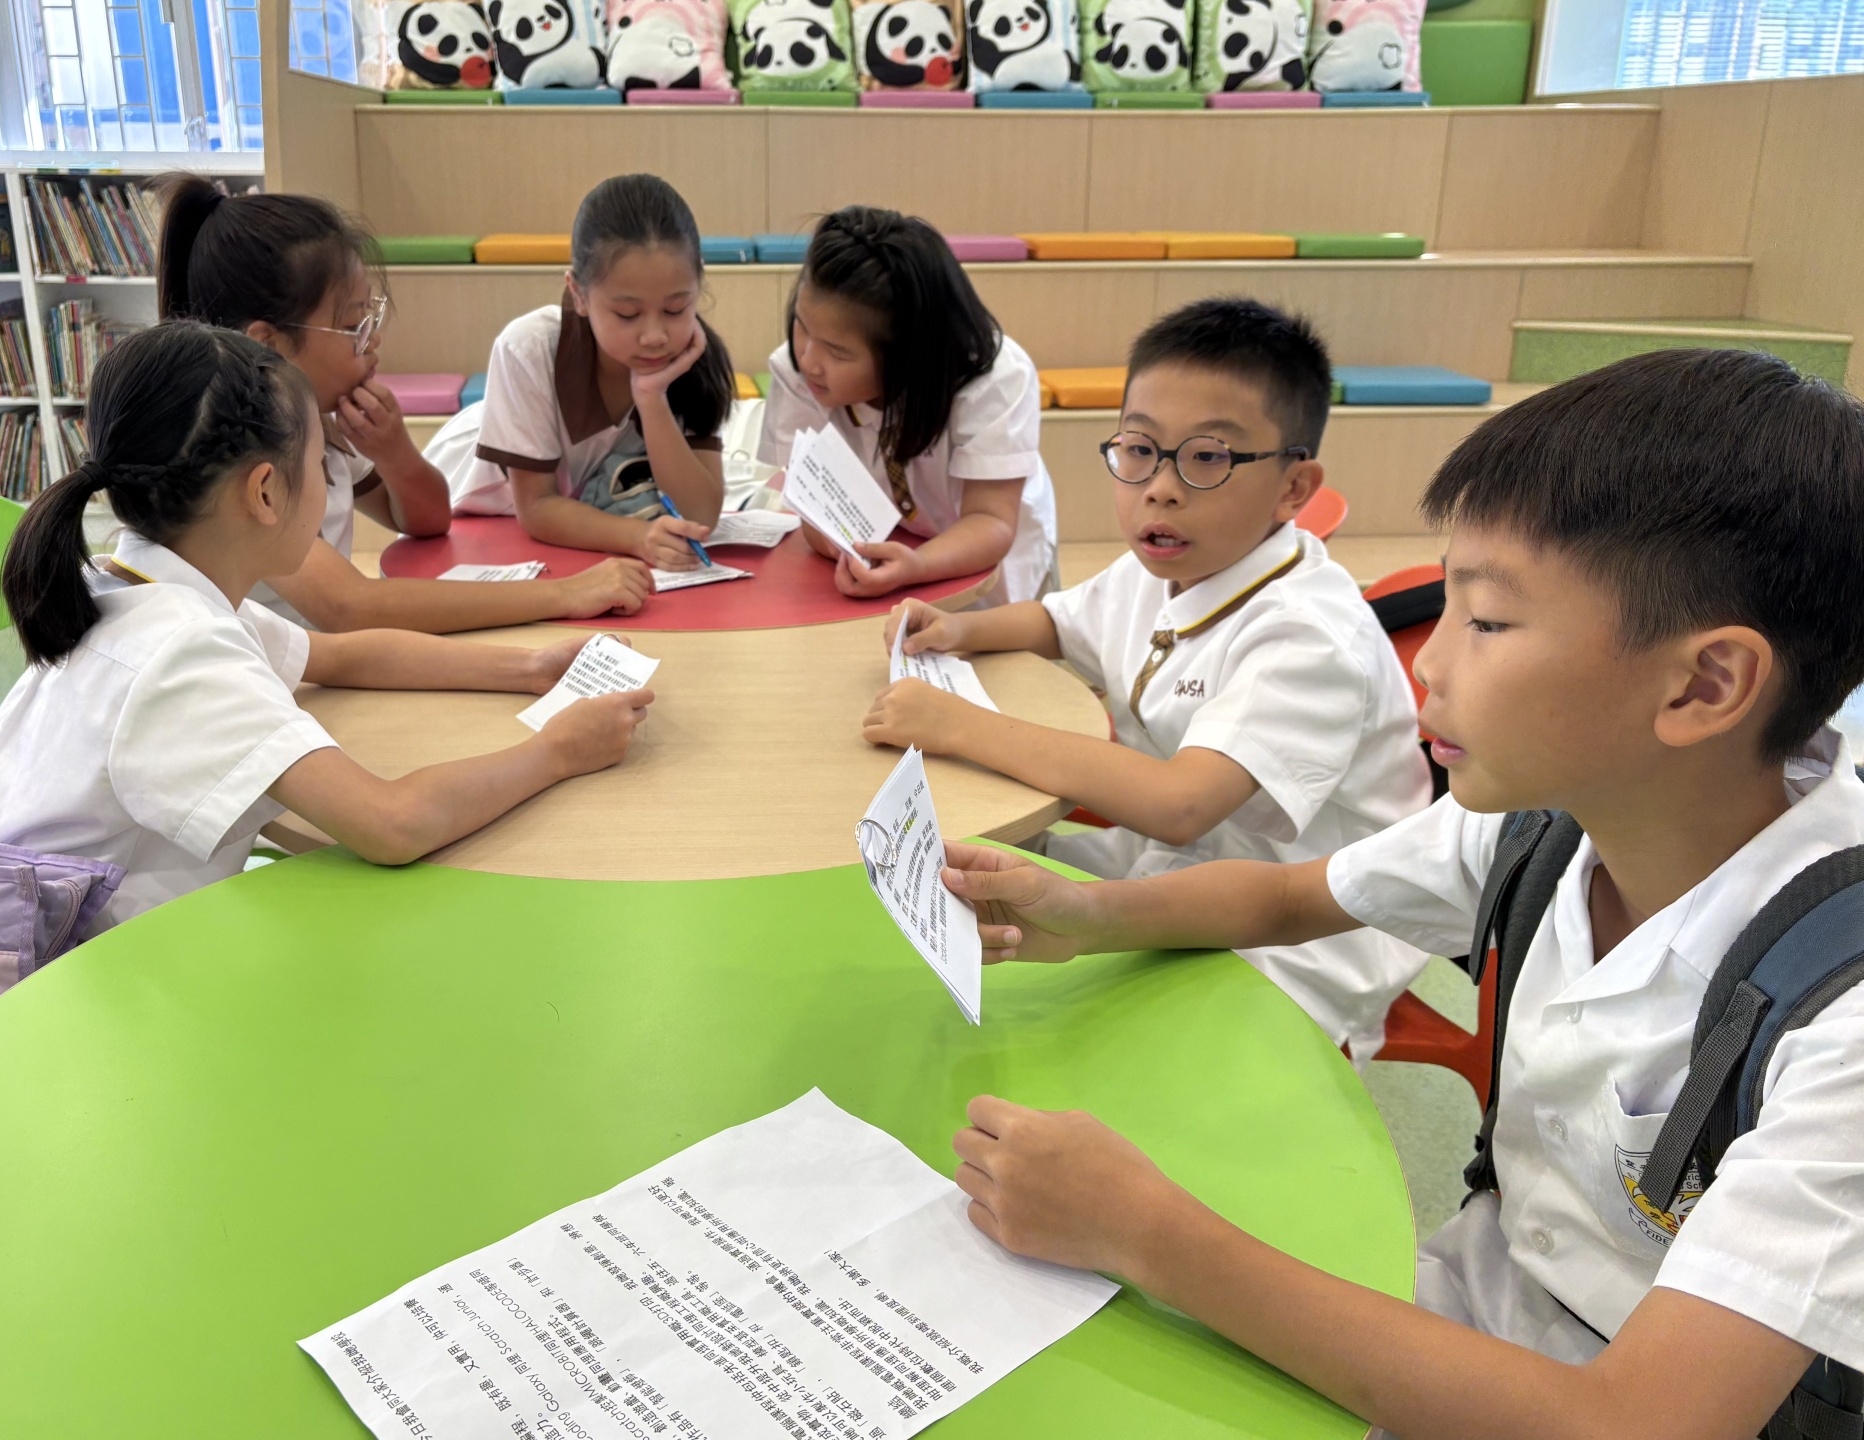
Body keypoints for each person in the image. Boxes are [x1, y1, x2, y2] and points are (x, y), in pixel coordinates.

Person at [938, 348, 1864, 1439]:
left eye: (1488, 622)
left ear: (1704, 685)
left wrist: (1144, 1232)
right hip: (1469, 1315)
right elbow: (1290, 898)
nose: (1426, 663)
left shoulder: (1839, 1016)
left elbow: (1640, 1424)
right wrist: (1087, 918)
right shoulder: (1552, 815)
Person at [868, 299, 1429, 1058]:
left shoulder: (1308, 634)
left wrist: (958, 725)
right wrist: (958, 629)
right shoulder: (1162, 566)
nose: (1159, 487)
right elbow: (1059, 621)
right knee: (940, 902)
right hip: (1175, 870)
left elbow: (1181, 804)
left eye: (1208, 458)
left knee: (1029, 1023)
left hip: (1299, 938)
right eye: (1138, 449)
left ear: (1293, 489)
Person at [0, 324, 652, 929]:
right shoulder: (179, 651)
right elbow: (392, 824)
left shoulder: (139, 585)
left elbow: (340, 656)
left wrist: (530, 668)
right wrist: (559, 750)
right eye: (321, 462)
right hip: (78, 983)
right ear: (266, 491)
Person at [156, 175, 651, 631]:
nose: (372, 342)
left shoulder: (322, 427)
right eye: (352, 327)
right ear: (270, 344)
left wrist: (394, 451)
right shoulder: (239, 461)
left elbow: (428, 520)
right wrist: (565, 593)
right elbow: (348, 606)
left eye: (369, 320)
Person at [429, 173, 734, 570]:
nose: (655, 336)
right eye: (627, 314)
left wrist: (651, 399)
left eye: (675, 308)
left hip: (576, 524)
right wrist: (636, 537)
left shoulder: (695, 357)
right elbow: (537, 507)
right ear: (579, 294)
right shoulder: (530, 348)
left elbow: (701, 515)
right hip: (469, 514)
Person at [758, 206, 1058, 605]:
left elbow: (990, 521)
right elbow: (809, 502)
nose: (809, 360)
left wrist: (916, 566)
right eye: (801, 325)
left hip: (988, 562)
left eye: (837, 351)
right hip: (890, 550)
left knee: (985, 635)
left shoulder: (995, 379)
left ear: (906, 355)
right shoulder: (795, 372)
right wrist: (850, 549)